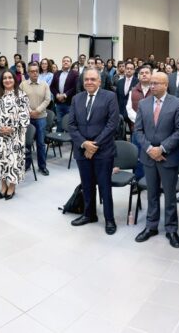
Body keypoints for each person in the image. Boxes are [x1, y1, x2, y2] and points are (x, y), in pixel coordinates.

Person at [133, 72, 179, 249]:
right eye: (151, 83)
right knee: (152, 193)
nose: (152, 86)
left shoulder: (177, 103)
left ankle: (171, 229)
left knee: (170, 195)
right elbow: (138, 130)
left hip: (168, 156)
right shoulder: (143, 103)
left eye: (156, 83)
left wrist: (161, 149)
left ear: (166, 85)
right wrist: (150, 149)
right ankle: (151, 226)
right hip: (148, 157)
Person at [67, 68, 121, 235]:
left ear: (99, 81)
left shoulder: (110, 96)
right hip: (82, 149)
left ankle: (109, 219)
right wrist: (84, 144)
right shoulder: (76, 98)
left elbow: (112, 124)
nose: (89, 82)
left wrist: (94, 145)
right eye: (86, 79)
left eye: (92, 79)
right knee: (87, 185)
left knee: (104, 186)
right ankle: (89, 214)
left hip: (103, 150)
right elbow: (71, 125)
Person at [0, 71, 30, 200]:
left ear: (14, 79)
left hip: (15, 136)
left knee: (13, 161)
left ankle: (12, 186)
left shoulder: (21, 95)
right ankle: (3, 185)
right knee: (0, 160)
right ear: (1, 80)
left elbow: (25, 116)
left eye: (10, 77)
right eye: (5, 78)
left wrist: (12, 128)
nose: (7, 80)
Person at [20, 63, 51, 176]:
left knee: (41, 143)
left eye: (36, 71)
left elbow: (47, 100)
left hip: (40, 118)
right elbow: (20, 99)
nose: (35, 73)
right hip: (27, 118)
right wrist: (29, 111)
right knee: (27, 142)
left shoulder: (44, 84)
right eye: (32, 71)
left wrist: (37, 110)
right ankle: (27, 165)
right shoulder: (23, 85)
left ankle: (42, 166)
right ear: (28, 73)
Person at [51, 56, 80, 126]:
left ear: (71, 63)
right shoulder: (57, 73)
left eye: (67, 61)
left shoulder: (75, 74)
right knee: (59, 122)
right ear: (62, 63)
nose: (65, 62)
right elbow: (52, 87)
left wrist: (65, 95)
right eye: (64, 61)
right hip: (58, 103)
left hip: (69, 103)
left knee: (69, 123)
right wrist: (57, 95)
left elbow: (75, 87)